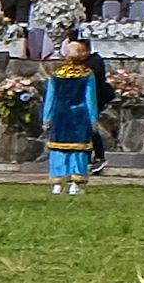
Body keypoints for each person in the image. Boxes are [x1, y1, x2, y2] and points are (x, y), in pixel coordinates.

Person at [36, 20, 109, 197]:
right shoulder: (86, 75)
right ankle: (75, 184)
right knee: (78, 149)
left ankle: (57, 183)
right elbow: (89, 99)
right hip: (79, 114)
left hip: (60, 114)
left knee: (59, 148)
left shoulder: (56, 74)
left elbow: (50, 99)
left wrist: (47, 117)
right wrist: (93, 119)